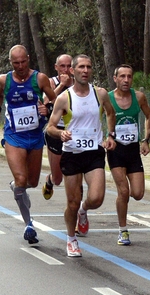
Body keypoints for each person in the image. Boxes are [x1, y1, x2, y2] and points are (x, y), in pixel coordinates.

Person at [47, 54, 116, 257]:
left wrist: (111, 135)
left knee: (96, 198)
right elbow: (49, 127)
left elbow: (110, 113)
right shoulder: (64, 98)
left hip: (94, 151)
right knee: (72, 202)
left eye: (89, 67)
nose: (85, 71)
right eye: (81, 67)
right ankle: (71, 239)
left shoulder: (100, 94)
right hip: (72, 153)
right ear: (72, 71)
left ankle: (84, 211)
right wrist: (60, 133)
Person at [0, 45, 56, 244]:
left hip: (35, 136)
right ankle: (29, 224)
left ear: (28, 59)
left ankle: (16, 187)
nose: (20, 66)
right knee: (21, 180)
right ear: (11, 63)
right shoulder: (5, 79)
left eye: (23, 62)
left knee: (32, 182)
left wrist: (48, 108)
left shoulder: (40, 79)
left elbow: (56, 100)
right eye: (16, 63)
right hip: (14, 136)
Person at [107, 64, 150, 246]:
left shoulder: (139, 97)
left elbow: (149, 116)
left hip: (133, 150)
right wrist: (105, 137)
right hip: (115, 151)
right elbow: (95, 118)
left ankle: (123, 225)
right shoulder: (108, 98)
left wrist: (146, 139)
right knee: (123, 192)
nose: (126, 80)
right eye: (122, 77)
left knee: (138, 193)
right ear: (115, 78)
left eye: (129, 77)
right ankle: (123, 230)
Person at [42, 54, 74, 200]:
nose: (66, 70)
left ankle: (75, 204)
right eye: (62, 66)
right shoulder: (51, 82)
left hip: (73, 133)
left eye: (69, 66)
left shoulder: (78, 84)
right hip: (55, 132)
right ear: (56, 67)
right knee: (58, 179)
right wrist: (61, 85)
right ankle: (50, 180)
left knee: (74, 171)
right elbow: (46, 101)